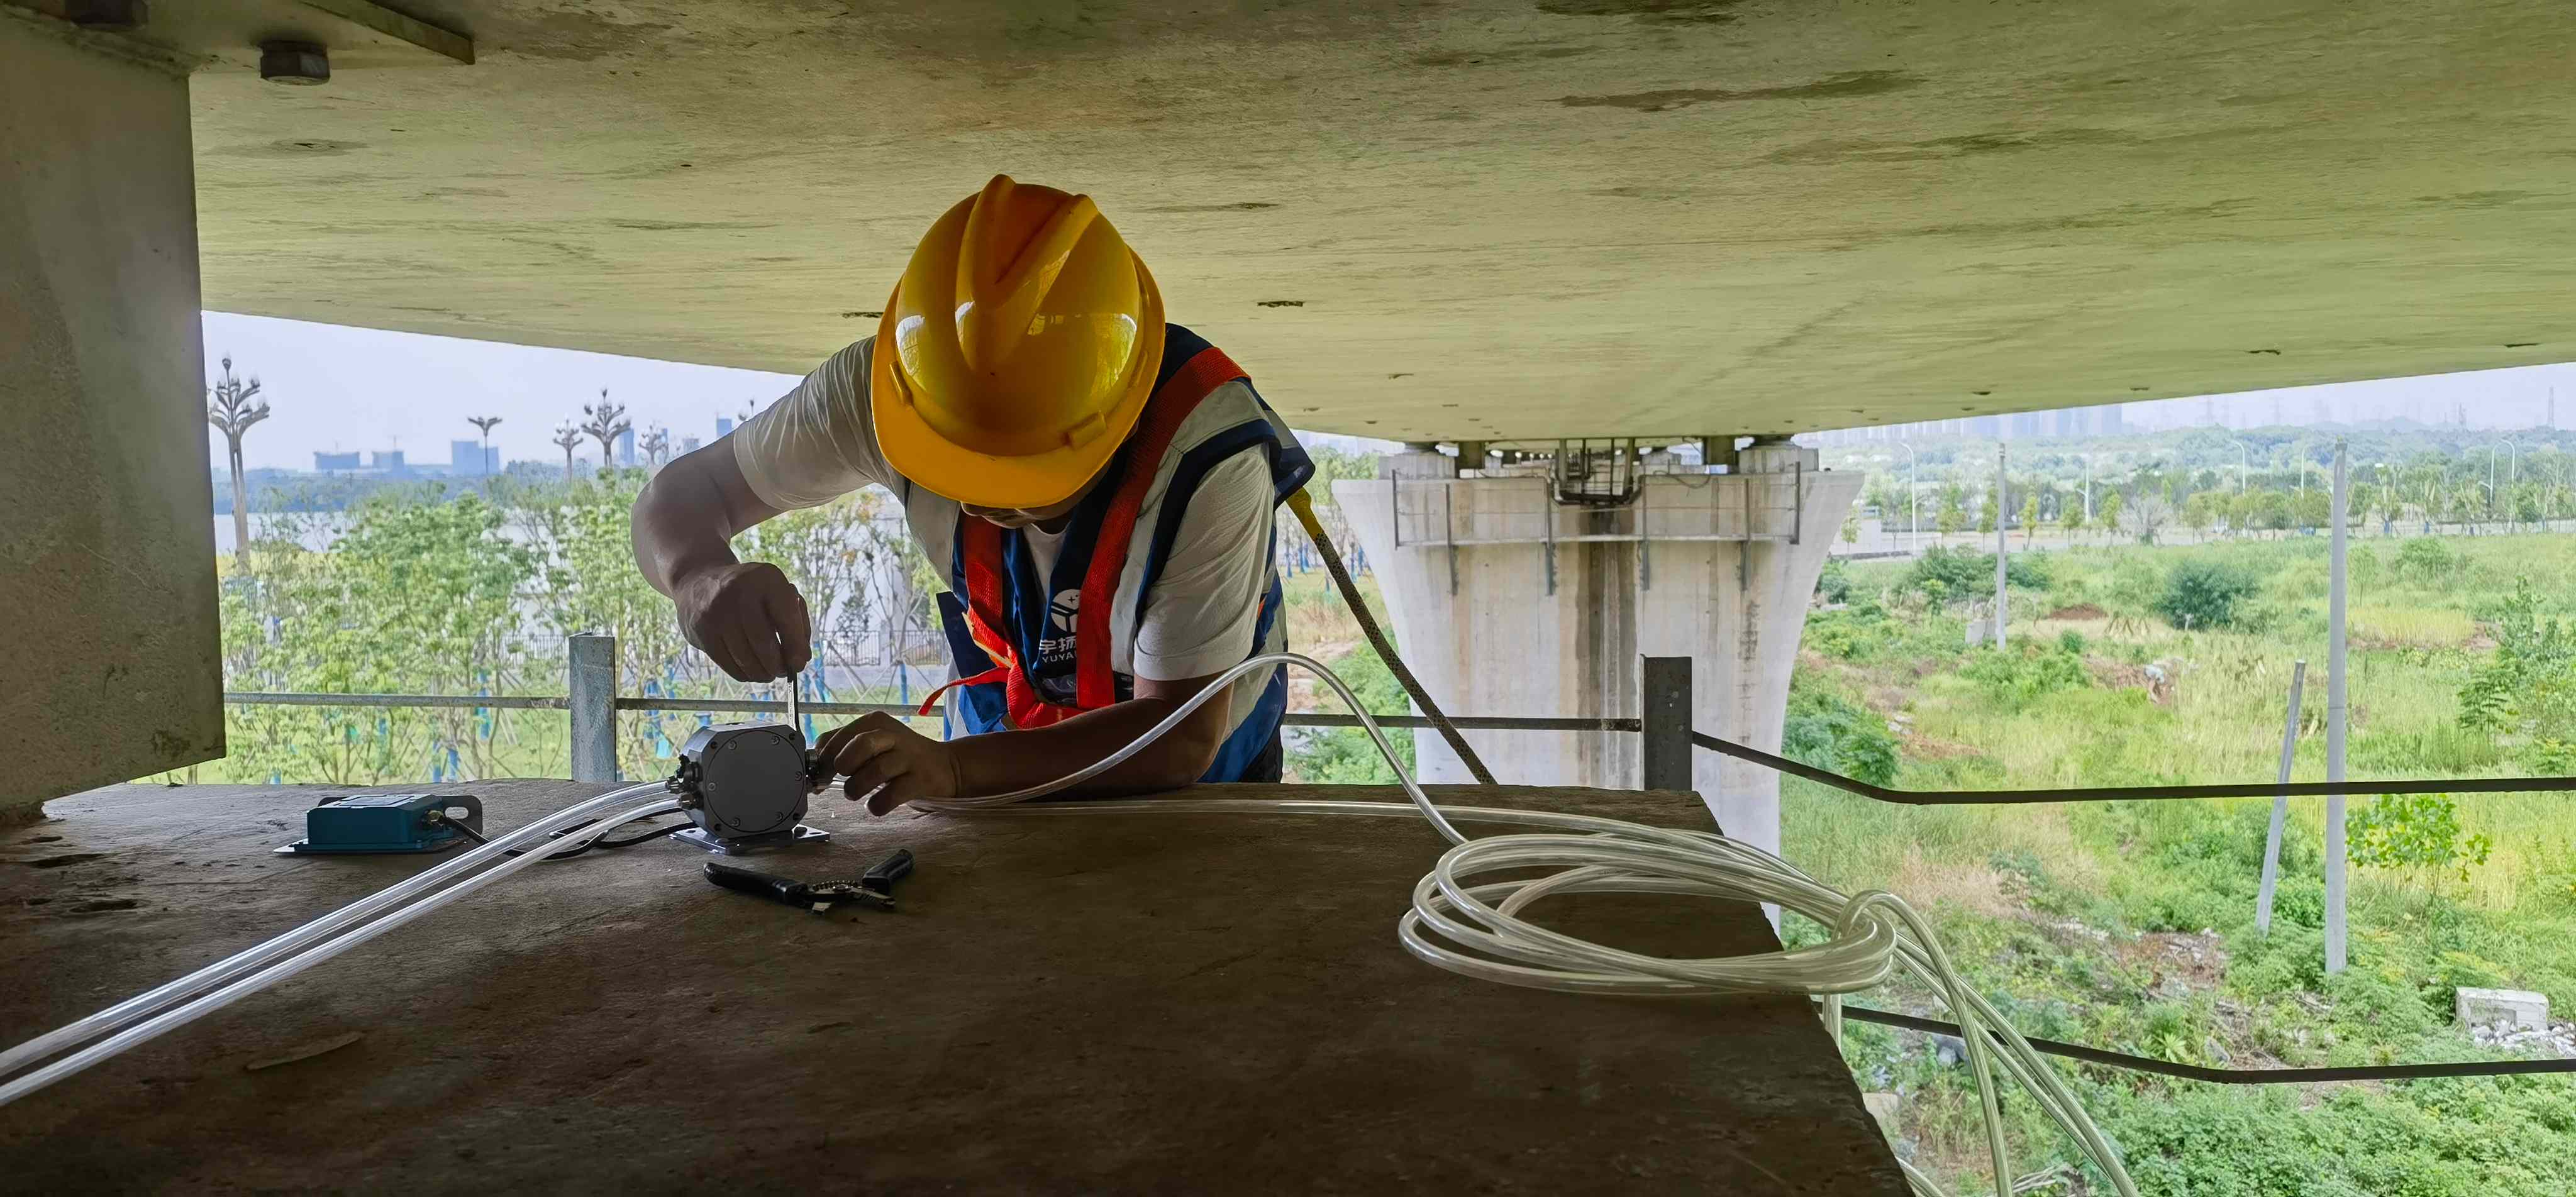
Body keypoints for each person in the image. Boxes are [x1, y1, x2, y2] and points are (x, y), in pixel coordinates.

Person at [631, 175, 1312, 815]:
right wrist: (697, 575)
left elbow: (1177, 738)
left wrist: (957, 770)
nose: (984, 504)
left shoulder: (1208, 455)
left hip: (1191, 759)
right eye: (957, 462)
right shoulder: (886, 390)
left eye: (1022, 484)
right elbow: (686, 493)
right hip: (1004, 723)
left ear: (1120, 417)